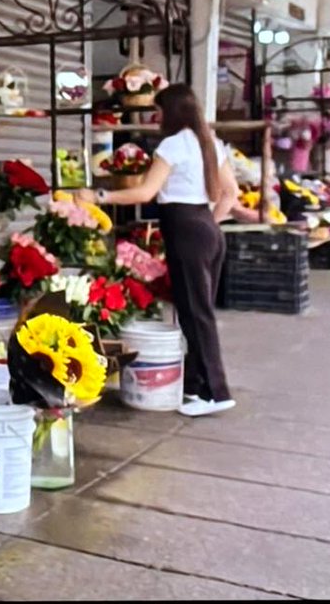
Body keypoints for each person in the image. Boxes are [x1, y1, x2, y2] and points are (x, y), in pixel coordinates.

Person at [76, 84, 239, 417]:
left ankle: (217, 391)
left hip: (185, 228)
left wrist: (100, 197)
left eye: (160, 110)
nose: (157, 116)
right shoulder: (209, 142)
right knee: (196, 311)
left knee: (195, 314)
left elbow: (145, 192)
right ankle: (195, 386)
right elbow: (231, 193)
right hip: (206, 228)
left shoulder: (173, 144)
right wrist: (209, 224)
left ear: (173, 112)